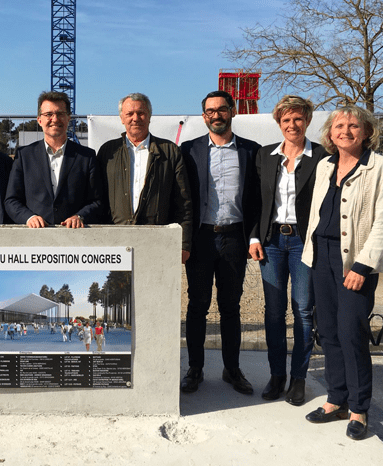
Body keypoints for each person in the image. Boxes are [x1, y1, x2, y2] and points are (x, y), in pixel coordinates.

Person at [302, 106, 383, 441]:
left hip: (354, 262)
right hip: (321, 258)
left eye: (354, 125)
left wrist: (362, 265)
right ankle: (336, 400)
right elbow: (316, 214)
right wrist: (309, 254)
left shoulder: (381, 168)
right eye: (339, 125)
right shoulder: (324, 165)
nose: (346, 130)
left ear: (367, 131)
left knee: (351, 333)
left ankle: (358, 409)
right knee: (327, 331)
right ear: (330, 133)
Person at [180, 90, 261, 395]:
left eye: (222, 109)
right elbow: (183, 200)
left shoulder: (250, 151)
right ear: (204, 117)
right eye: (210, 111)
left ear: (232, 112)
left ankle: (232, 369)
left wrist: (253, 236)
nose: (216, 115)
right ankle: (195, 368)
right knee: (197, 306)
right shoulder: (189, 150)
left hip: (234, 239)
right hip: (201, 238)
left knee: (230, 307)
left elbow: (256, 200)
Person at [248, 95, 326, 406]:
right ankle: (276, 374)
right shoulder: (265, 156)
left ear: (307, 120)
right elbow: (255, 201)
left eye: (297, 119)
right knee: (273, 312)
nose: (292, 125)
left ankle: (298, 378)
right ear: (279, 123)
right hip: (271, 242)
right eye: (286, 120)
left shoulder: (322, 156)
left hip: (305, 242)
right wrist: (254, 238)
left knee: (304, 311)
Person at [97, 93, 194, 263]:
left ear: (149, 116)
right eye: (129, 114)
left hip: (157, 241)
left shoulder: (170, 151)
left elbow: (183, 202)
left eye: (141, 113)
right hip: (116, 242)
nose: (135, 118)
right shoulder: (107, 152)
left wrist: (183, 243)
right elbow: (98, 199)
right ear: (121, 118)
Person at [5, 91, 104, 228]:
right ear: (39, 120)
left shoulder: (86, 157)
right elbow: (11, 200)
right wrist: (29, 217)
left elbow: (97, 201)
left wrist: (80, 216)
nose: (55, 119)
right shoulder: (24, 156)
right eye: (48, 114)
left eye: (60, 114)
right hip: (35, 238)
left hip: (75, 239)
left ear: (68, 118)